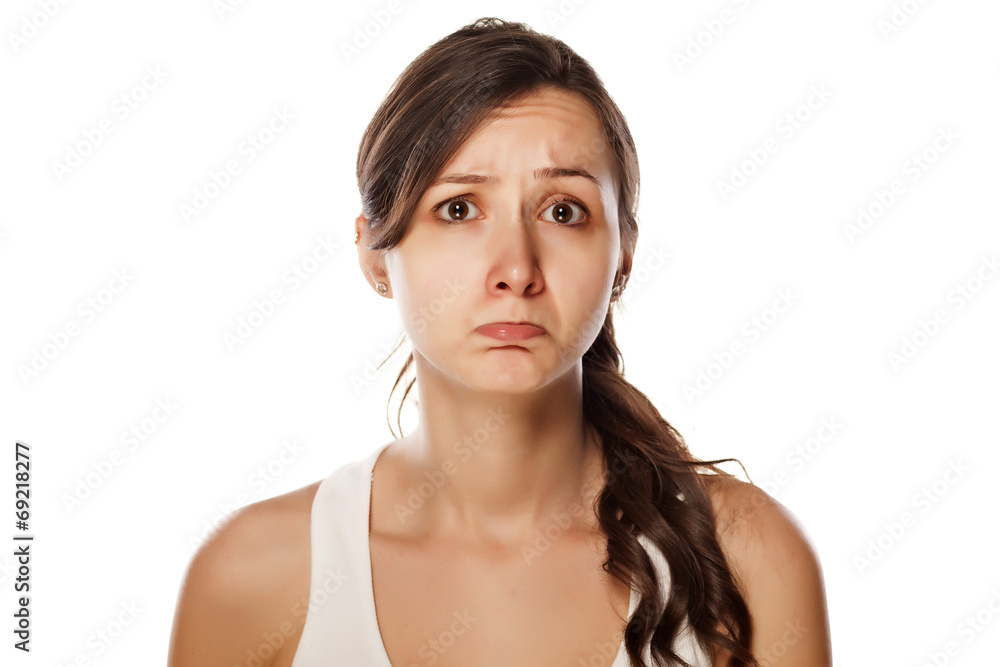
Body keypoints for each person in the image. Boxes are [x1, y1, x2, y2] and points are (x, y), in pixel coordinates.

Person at [168, 17, 832, 667]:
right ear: (375, 251)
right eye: (459, 209)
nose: (516, 268)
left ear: (623, 254)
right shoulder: (254, 578)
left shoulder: (748, 556)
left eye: (563, 210)